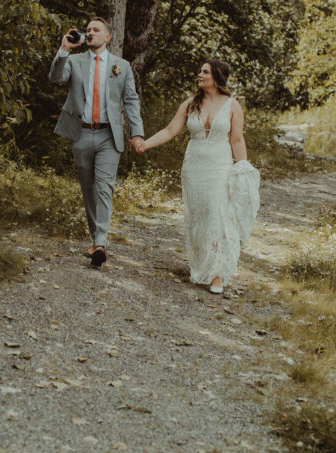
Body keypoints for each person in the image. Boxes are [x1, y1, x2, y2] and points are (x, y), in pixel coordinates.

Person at [136, 60, 259, 295]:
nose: (199, 75)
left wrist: (243, 169)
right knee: (199, 218)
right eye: (201, 71)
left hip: (220, 167)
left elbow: (236, 139)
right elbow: (170, 130)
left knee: (218, 216)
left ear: (217, 77)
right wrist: (145, 144)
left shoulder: (233, 105)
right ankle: (203, 263)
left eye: (205, 72)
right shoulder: (190, 104)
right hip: (194, 168)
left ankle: (217, 274)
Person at [50, 17, 144, 268]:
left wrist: (137, 133)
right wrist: (64, 50)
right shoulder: (75, 61)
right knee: (88, 188)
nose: (90, 33)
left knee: (104, 187)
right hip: (81, 133)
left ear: (107, 37)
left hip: (108, 136)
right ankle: (96, 238)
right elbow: (56, 78)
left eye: (96, 30)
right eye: (88, 29)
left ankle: (101, 242)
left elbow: (131, 101)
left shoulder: (121, 66)